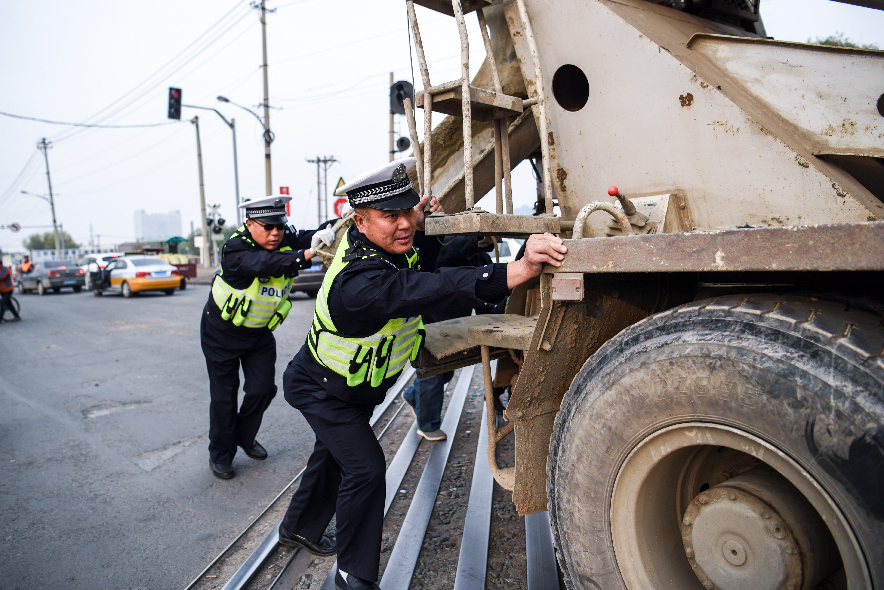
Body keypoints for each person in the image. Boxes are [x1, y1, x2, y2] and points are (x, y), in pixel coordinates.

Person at [276, 157, 567, 590]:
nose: (404, 224)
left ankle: (297, 528)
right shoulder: (359, 284)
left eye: (408, 210)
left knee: (332, 458)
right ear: (359, 220)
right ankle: (352, 575)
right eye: (389, 216)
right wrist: (516, 269)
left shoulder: (388, 248)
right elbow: (435, 285)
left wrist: (423, 220)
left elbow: (423, 259)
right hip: (321, 390)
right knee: (366, 469)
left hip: (352, 391)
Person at [200, 195, 336, 479]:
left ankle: (243, 437)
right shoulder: (235, 249)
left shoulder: (283, 235)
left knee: (262, 390)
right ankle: (221, 454)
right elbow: (266, 263)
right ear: (249, 224)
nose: (276, 233)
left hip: (259, 334)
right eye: (267, 227)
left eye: (279, 226)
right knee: (224, 397)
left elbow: (309, 236)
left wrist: (336, 224)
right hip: (220, 333)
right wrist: (307, 253)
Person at [401, 235, 497, 441]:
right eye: (484, 241)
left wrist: (489, 321)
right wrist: (476, 238)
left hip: (454, 324)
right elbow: (451, 251)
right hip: (430, 322)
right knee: (431, 374)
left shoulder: (480, 259)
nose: (486, 245)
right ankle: (427, 425)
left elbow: (485, 292)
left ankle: (411, 395)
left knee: (445, 373)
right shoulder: (444, 252)